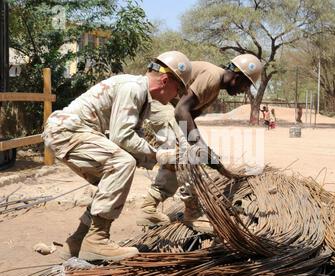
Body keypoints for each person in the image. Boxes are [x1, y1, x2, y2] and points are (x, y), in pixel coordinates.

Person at [42, 51, 192, 262]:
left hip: (72, 133)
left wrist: (160, 159)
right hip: (66, 131)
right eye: (178, 90)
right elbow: (122, 137)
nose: (176, 97)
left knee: (112, 177)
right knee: (122, 163)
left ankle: (76, 241)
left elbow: (132, 143)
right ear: (166, 81)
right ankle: (98, 240)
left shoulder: (142, 99)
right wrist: (160, 155)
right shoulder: (133, 88)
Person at [137, 54, 263, 230]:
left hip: (166, 106)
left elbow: (188, 120)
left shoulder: (214, 88)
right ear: (238, 76)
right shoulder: (212, 77)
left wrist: (206, 151)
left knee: (181, 155)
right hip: (158, 99)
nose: (245, 90)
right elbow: (181, 112)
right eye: (246, 84)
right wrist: (199, 146)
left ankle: (148, 207)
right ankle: (193, 213)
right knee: (188, 155)